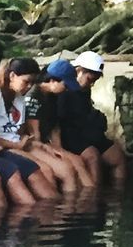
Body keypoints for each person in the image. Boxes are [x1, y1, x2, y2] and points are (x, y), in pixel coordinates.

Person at [0, 54, 60, 203]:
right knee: (44, 169)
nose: (29, 87)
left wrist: (34, 142)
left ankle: (55, 217)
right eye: (26, 82)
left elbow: (18, 131)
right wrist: (17, 145)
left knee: (37, 170)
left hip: (12, 145)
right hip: (2, 147)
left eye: (32, 83)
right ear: (12, 76)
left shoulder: (19, 98)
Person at [51, 51, 126, 183]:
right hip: (70, 134)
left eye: (94, 81)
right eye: (90, 80)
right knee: (92, 157)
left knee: (117, 155)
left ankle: (118, 196)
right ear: (79, 71)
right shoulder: (63, 87)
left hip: (86, 132)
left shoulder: (84, 89)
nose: (91, 84)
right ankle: (92, 196)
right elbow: (58, 119)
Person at [24, 60, 96, 190]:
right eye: (66, 85)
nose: (67, 89)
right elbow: (34, 134)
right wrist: (53, 152)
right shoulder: (33, 97)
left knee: (78, 161)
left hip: (47, 143)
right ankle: (72, 206)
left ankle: (90, 198)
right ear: (53, 81)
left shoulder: (53, 97)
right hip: (35, 144)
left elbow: (55, 129)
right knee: (67, 169)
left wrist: (60, 149)